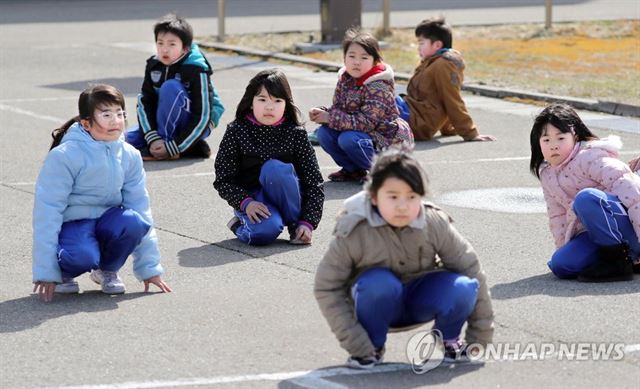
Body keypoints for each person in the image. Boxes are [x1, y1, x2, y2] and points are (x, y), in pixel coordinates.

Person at [314, 149, 493, 369]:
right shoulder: (354, 229)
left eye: (411, 196)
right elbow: (326, 287)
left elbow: (471, 269)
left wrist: (479, 337)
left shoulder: (433, 221)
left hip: (421, 300)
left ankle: (450, 339)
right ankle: (372, 347)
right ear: (373, 196)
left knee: (464, 285)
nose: (402, 205)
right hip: (375, 304)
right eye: (392, 196)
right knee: (379, 283)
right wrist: (356, 342)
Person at [32, 84, 172, 302]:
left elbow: (140, 207)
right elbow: (47, 212)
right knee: (83, 255)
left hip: (107, 221)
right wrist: (46, 271)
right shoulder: (65, 156)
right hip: (73, 224)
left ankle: (107, 270)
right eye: (106, 114)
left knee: (134, 221)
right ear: (86, 123)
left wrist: (150, 269)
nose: (116, 121)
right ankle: (64, 273)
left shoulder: (130, 155)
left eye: (120, 113)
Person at [530, 103, 640, 282]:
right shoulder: (547, 174)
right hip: (596, 234)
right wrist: (564, 248)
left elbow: (634, 195)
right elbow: (557, 216)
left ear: (574, 135)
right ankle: (627, 258)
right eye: (546, 140)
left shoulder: (591, 156)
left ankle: (618, 261)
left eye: (560, 138)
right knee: (561, 265)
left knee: (586, 198)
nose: (554, 146)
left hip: (629, 225)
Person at [214, 69, 324, 246]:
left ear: (286, 104)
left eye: (277, 100)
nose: (269, 107)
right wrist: (245, 203)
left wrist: (308, 222)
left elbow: (314, 182)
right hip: (253, 201)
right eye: (262, 99)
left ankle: (295, 226)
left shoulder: (296, 134)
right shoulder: (236, 131)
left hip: (289, 198)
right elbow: (223, 179)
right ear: (251, 102)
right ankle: (240, 225)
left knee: (274, 169)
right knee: (264, 233)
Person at [308, 29, 413, 183]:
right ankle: (353, 170)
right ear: (344, 58)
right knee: (324, 133)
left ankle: (382, 172)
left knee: (348, 138)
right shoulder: (345, 79)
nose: (356, 62)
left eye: (364, 57)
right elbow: (340, 110)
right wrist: (322, 114)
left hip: (388, 140)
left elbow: (367, 122)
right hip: (364, 135)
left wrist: (330, 117)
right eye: (351, 56)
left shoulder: (379, 85)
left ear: (374, 61)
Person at [126, 13, 224, 160]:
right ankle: (190, 148)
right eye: (160, 43)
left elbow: (203, 115)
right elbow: (145, 102)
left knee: (170, 87)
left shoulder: (196, 69)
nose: (164, 49)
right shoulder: (154, 65)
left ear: (185, 48)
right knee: (125, 141)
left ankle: (169, 144)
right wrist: (152, 138)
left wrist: (170, 147)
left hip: (197, 123)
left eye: (172, 44)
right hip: (164, 120)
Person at [395, 17, 496, 142]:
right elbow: (438, 99)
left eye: (421, 43)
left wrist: (470, 132)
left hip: (415, 121)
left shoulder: (444, 65)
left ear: (437, 44)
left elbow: (451, 98)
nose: (418, 47)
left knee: (376, 106)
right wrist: (448, 128)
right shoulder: (432, 63)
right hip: (409, 113)